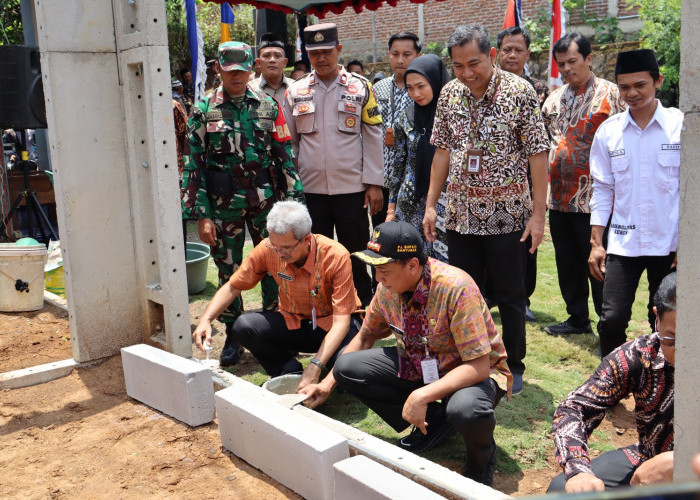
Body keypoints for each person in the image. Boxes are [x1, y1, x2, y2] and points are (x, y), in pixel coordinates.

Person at [299, 222, 511, 486]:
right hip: (420, 362)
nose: (378, 279)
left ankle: (481, 462)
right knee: (346, 367)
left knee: (466, 410)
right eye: (375, 271)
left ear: (412, 265)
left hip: (470, 373)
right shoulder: (387, 288)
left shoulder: (456, 288)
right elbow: (365, 336)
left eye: (384, 271)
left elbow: (479, 366)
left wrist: (421, 394)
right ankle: (433, 422)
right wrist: (327, 384)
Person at [423, 24, 549, 396]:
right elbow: (441, 153)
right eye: (458, 66)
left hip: (508, 216)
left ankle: (513, 364)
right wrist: (432, 205)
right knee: (465, 294)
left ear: (491, 55)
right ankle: (470, 361)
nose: (466, 73)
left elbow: (538, 154)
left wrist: (538, 215)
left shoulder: (519, 92)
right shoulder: (449, 94)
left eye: (473, 63)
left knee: (510, 295)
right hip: (461, 215)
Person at [181, 41, 304, 367]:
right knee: (230, 271)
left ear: (253, 69)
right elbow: (194, 165)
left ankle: (272, 331)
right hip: (224, 209)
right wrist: (202, 216)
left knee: (275, 269)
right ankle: (234, 335)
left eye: (242, 70)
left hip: (265, 205)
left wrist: (294, 204)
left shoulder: (267, 106)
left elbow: (284, 158)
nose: (236, 76)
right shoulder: (204, 109)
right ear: (218, 69)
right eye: (229, 70)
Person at [192, 201, 362, 390]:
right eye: (275, 246)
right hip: (295, 323)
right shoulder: (268, 248)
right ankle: (288, 370)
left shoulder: (336, 255)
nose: (279, 253)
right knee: (244, 326)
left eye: (286, 248)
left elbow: (341, 323)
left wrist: (315, 367)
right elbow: (233, 286)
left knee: (345, 372)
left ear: (306, 239)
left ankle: (327, 370)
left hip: (334, 326)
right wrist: (206, 319)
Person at [588, 49, 681, 357]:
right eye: (624, 87)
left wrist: (688, 244)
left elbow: (691, 189)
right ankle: (610, 383)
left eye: (640, 85)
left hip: (669, 244)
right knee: (611, 319)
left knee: (666, 319)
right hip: (623, 242)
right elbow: (601, 189)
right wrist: (596, 242)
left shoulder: (681, 127)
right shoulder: (609, 132)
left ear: (658, 82)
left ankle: (663, 384)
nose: (632, 93)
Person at [548, 272, 677, 492]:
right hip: (649, 459)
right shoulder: (640, 356)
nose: (686, 351)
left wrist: (680, 461)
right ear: (657, 317)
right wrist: (578, 470)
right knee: (563, 490)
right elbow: (574, 408)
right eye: (672, 339)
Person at [284, 23, 384, 307]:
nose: (321, 58)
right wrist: (294, 186)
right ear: (306, 54)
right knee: (316, 252)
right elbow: (290, 142)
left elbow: (373, 136)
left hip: (352, 188)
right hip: (311, 190)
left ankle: (363, 303)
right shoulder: (296, 91)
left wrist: (374, 183)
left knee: (356, 250)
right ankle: (323, 305)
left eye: (327, 51)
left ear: (339, 49)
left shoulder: (360, 87)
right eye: (314, 53)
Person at [541, 33, 625, 337]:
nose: (566, 69)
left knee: (599, 264)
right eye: (561, 64)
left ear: (589, 59)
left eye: (572, 62)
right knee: (567, 264)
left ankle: (608, 323)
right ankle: (577, 318)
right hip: (560, 199)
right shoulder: (553, 98)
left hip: (597, 199)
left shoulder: (613, 96)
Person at [496, 26, 549, 322]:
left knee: (526, 243)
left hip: (527, 184)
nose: (512, 54)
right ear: (497, 52)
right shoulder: (484, 87)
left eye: (518, 49)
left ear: (528, 54)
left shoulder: (538, 91)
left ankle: (523, 299)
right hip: (490, 185)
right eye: (507, 49)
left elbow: (541, 143)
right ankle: (490, 296)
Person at [386, 55, 449, 262]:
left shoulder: (453, 114)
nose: (416, 94)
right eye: (410, 88)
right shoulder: (406, 116)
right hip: (410, 202)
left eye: (421, 86)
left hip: (446, 201)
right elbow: (399, 164)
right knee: (412, 262)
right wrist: (392, 207)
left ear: (435, 80)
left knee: (445, 263)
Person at [373, 31, 422, 236]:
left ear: (418, 55)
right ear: (388, 55)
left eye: (407, 54)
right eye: (395, 54)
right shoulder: (377, 88)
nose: (400, 60)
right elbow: (368, 134)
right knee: (382, 238)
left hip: (413, 182)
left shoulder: (423, 89)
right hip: (383, 181)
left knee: (411, 239)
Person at [249, 33, 293, 103]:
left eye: (278, 56)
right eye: (266, 56)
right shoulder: (249, 90)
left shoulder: (296, 88)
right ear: (258, 62)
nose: (272, 60)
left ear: (285, 62)